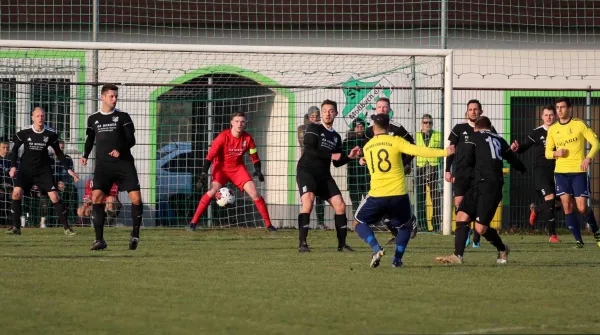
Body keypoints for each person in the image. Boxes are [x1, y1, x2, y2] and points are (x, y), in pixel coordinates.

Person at [354, 114, 453, 268]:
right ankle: (397, 260)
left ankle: (376, 248)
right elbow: (419, 150)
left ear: (373, 129)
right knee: (406, 226)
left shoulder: (367, 147)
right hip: (398, 195)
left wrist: (362, 158)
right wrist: (445, 152)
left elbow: (372, 161)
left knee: (358, 222)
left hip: (377, 195)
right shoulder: (396, 141)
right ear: (388, 127)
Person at [436, 116, 526, 264]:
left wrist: (457, 173)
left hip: (489, 187)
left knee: (481, 229)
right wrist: (523, 169)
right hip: (484, 185)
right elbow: (512, 158)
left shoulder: (474, 136)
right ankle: (457, 256)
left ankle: (503, 248)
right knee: (462, 216)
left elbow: (467, 159)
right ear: (489, 127)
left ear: (476, 128)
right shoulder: (499, 139)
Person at [188, 111, 277, 232]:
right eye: (237, 121)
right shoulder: (222, 137)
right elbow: (210, 157)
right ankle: (193, 223)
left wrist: (258, 170)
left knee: (254, 192)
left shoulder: (248, 139)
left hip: (237, 169)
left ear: (245, 123)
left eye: (242, 122)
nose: (239, 124)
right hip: (221, 168)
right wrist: (203, 173)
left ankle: (269, 225)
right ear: (231, 123)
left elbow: (254, 156)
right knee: (212, 191)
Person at [81, 84, 143, 251]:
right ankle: (99, 240)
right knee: (96, 199)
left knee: (136, 199)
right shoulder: (93, 119)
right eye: (111, 96)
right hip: (103, 166)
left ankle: (135, 235)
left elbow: (131, 140)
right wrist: (85, 155)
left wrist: (120, 149)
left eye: (116, 96)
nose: (114, 99)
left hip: (124, 164)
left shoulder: (123, 117)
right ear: (102, 97)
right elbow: (90, 139)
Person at [296, 99, 361, 252]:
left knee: (340, 206)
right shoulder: (314, 128)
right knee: (308, 201)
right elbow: (310, 150)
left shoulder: (336, 137)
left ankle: (342, 244)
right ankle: (302, 244)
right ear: (321, 113)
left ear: (336, 114)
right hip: (306, 171)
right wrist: (331, 155)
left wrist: (349, 156)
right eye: (325, 111)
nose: (327, 114)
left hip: (324, 176)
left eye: (331, 111)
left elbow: (338, 162)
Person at [6, 107, 79, 236]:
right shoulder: (24, 132)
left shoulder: (50, 133)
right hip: (26, 170)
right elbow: (15, 149)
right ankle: (16, 227)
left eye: (43, 116)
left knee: (55, 197)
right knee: (16, 193)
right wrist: (13, 166)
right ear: (32, 117)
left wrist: (68, 169)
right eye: (38, 116)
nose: (40, 118)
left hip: (43, 171)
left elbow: (58, 152)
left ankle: (67, 228)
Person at [544, 97, 600, 248]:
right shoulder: (553, 129)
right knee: (567, 206)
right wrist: (557, 153)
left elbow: (596, 143)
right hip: (561, 173)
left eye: (562, 107)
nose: (559, 110)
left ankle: (596, 232)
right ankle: (578, 240)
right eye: (557, 107)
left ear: (569, 108)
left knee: (582, 208)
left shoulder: (579, 124)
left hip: (578, 172)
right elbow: (548, 153)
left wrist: (588, 158)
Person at [362, 97, 415, 244]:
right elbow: (367, 152)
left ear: (390, 110)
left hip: (395, 175)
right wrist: (363, 159)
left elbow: (412, 147)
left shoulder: (397, 128)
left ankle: (404, 226)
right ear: (376, 110)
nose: (382, 110)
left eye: (385, 107)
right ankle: (399, 231)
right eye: (379, 107)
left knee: (391, 205)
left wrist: (403, 164)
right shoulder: (369, 131)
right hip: (378, 176)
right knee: (384, 210)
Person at [445, 99, 496, 248]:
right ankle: (464, 231)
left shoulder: (488, 128)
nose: (473, 111)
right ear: (467, 112)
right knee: (460, 204)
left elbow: (496, 146)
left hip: (479, 174)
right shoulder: (459, 128)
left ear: (481, 111)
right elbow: (451, 150)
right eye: (470, 109)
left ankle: (476, 236)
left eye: (476, 109)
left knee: (478, 205)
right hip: (461, 173)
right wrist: (448, 170)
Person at [510, 105, 560, 242]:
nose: (549, 117)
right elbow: (525, 146)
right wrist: (517, 148)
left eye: (551, 115)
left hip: (559, 170)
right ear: (542, 117)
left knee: (562, 203)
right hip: (542, 171)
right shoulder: (537, 132)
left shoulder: (560, 130)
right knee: (550, 199)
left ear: (555, 116)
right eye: (546, 115)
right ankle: (553, 235)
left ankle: (536, 210)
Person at [297, 107, 326, 229]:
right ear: (308, 117)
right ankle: (304, 224)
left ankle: (320, 223)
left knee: (320, 196)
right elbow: (306, 142)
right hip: (307, 165)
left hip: (320, 165)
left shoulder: (323, 128)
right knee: (306, 196)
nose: (315, 118)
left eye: (317, 116)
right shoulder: (303, 128)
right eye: (312, 116)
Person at [415, 114, 443, 231]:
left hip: (434, 169)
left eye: (430, 123)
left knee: (436, 199)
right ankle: (422, 225)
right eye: (425, 122)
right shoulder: (416, 136)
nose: (427, 125)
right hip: (420, 168)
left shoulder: (438, 135)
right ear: (421, 123)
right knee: (420, 199)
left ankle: (436, 225)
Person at [342, 119, 369, 213]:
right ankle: (356, 223)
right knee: (355, 202)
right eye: (357, 127)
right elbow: (344, 157)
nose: (360, 129)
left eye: (362, 127)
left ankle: (369, 222)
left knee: (369, 201)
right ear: (353, 128)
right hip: (353, 176)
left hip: (367, 176)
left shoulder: (368, 140)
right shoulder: (347, 141)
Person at [0, 139, 12, 227]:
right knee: (1, 195)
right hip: (0, 187)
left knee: (14, 196)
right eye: (3, 147)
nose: (5, 150)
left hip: (10, 187)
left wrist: (11, 185)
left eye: (7, 148)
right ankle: (2, 222)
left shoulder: (12, 160)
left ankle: (10, 223)